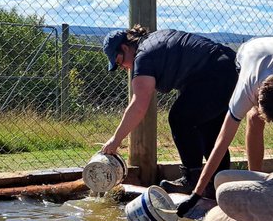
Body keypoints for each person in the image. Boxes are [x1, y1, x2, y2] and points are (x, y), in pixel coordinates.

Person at [176, 36, 273, 215]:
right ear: (257, 97)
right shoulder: (245, 91)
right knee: (254, 118)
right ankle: (256, 182)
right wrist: (196, 195)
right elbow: (221, 144)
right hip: (249, 53)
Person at [100, 25, 238, 194]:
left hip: (215, 73)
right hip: (229, 66)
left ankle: (192, 179)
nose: (124, 67)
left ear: (125, 48)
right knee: (208, 130)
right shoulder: (153, 41)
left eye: (119, 61)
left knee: (180, 119)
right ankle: (221, 184)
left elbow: (139, 105)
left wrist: (115, 140)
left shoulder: (143, 56)